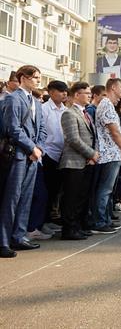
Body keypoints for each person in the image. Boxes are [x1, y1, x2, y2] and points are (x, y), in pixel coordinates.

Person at [0, 65, 46, 258]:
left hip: (33, 156)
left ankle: (19, 237)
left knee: (25, 198)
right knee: (11, 199)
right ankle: (3, 242)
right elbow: (12, 128)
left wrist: (39, 148)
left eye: (38, 77)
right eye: (35, 77)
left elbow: (42, 128)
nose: (38, 81)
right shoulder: (12, 98)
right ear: (23, 78)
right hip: (18, 155)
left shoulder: (36, 101)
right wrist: (31, 148)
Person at [26, 80, 69, 241]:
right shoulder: (44, 109)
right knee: (44, 191)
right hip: (47, 153)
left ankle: (46, 220)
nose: (64, 93)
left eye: (66, 91)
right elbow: (41, 131)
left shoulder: (66, 110)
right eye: (60, 91)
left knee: (55, 191)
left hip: (61, 154)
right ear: (51, 92)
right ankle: (38, 223)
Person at [90, 78, 121, 234]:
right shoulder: (106, 104)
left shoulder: (110, 106)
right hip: (108, 153)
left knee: (108, 190)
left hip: (113, 153)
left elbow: (118, 132)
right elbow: (114, 132)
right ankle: (99, 222)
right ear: (113, 88)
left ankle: (105, 219)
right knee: (104, 189)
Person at [59, 82, 98, 240]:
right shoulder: (69, 113)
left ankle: (78, 226)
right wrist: (91, 153)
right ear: (76, 94)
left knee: (82, 196)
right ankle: (69, 229)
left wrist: (93, 155)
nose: (90, 95)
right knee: (71, 198)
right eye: (86, 93)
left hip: (86, 161)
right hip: (73, 162)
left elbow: (91, 136)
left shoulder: (85, 113)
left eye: (90, 93)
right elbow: (73, 139)